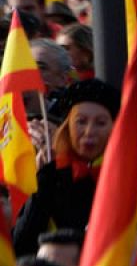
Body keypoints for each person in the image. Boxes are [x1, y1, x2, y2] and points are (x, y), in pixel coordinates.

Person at [16, 79, 119, 256]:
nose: (89, 131)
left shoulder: (127, 176)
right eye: (81, 121)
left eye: (100, 123)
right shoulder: (50, 176)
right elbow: (22, 244)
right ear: (68, 126)